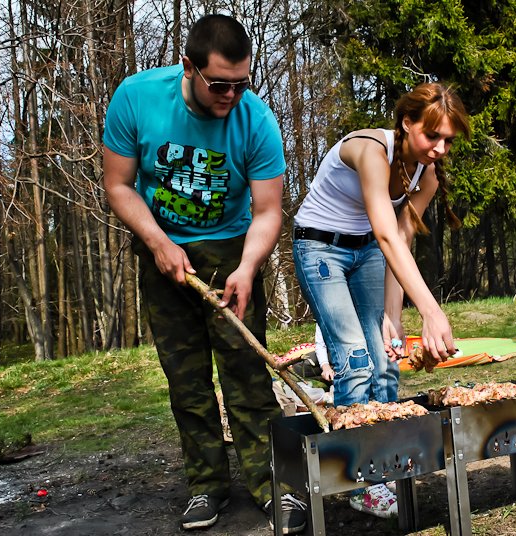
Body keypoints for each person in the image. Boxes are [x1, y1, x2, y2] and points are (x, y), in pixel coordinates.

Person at [102, 14, 305, 534]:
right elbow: (120, 186)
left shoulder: (256, 119)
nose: (231, 96)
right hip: (162, 251)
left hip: (232, 251)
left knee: (246, 374)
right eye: (220, 84)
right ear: (189, 66)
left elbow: (267, 211)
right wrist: (158, 243)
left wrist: (247, 267)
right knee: (186, 379)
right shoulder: (137, 97)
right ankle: (206, 487)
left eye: (242, 84)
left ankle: (275, 487)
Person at [292, 82, 471, 518]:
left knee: (387, 357)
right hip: (320, 248)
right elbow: (387, 233)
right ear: (407, 123)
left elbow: (400, 241)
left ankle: (388, 461)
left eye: (448, 139)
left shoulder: (424, 173)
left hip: (369, 251)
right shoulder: (371, 150)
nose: (441, 148)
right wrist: (431, 311)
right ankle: (361, 480)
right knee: (354, 357)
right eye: (433, 137)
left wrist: (393, 316)